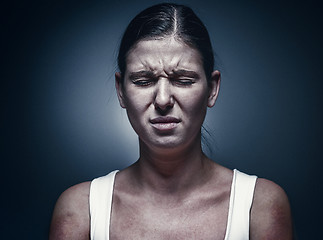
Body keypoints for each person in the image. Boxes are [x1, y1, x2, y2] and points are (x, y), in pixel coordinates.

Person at [49, 3, 293, 239]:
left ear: (212, 89)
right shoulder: (82, 210)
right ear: (121, 91)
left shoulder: (258, 205)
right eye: (143, 81)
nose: (163, 100)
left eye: (183, 80)